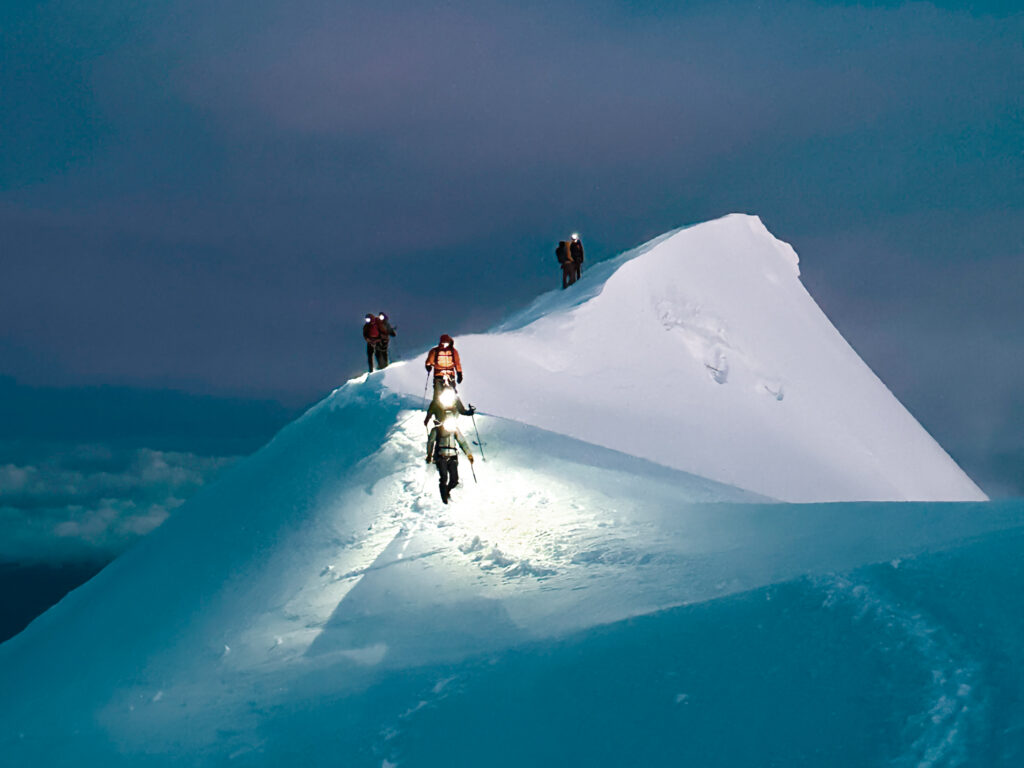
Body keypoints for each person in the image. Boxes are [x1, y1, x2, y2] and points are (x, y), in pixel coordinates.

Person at [426, 415, 474, 504]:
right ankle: (444, 500)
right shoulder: (436, 430)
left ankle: (447, 492)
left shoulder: (455, 430)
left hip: (453, 457)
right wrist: (429, 454)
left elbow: (462, 442)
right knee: (444, 478)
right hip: (441, 457)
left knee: (454, 479)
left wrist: (469, 454)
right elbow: (431, 442)